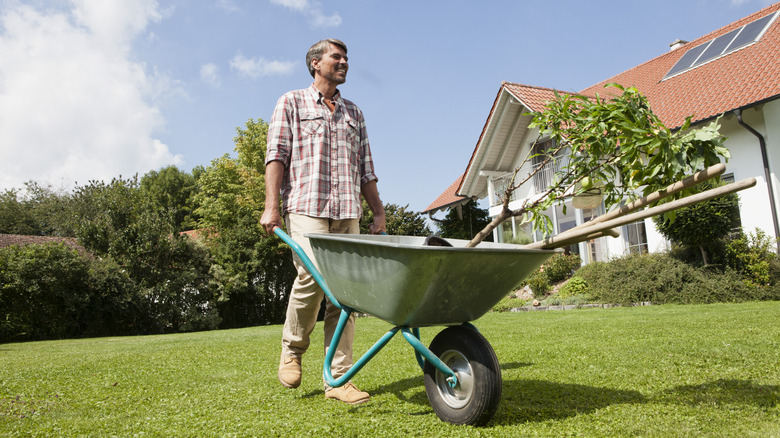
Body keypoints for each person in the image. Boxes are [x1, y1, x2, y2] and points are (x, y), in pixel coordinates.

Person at [260, 38, 386, 405]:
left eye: (346, 57)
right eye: (336, 56)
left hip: (348, 211)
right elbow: (276, 155)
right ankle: (293, 349)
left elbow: (366, 168)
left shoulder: (354, 113)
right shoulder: (291, 102)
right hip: (306, 206)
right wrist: (271, 206)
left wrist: (377, 211)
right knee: (312, 275)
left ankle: (338, 378)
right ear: (315, 63)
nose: (344, 61)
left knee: (347, 293)